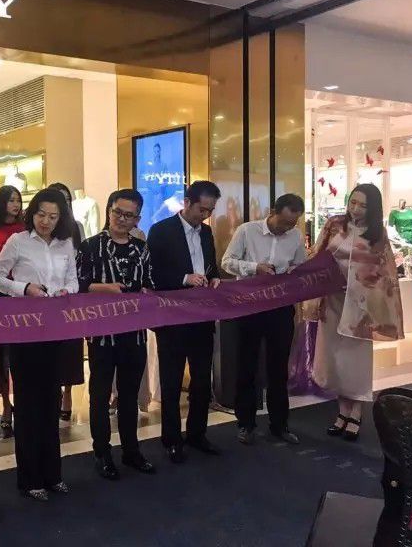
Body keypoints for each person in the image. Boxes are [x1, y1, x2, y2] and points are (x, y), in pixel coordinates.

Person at [0, 188, 79, 501]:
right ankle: (30, 479)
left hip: (56, 329)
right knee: (28, 405)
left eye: (53, 216)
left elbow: (73, 279)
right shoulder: (18, 241)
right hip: (25, 331)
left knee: (50, 402)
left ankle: (52, 474)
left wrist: (66, 291)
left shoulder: (66, 243)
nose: (46, 221)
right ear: (32, 213)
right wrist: (24, 288)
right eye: (41, 214)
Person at [311, 184, 403, 441]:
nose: (356, 209)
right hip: (332, 301)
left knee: (356, 361)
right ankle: (342, 411)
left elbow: (385, 272)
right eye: (353, 202)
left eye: (363, 205)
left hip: (361, 307)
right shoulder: (334, 225)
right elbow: (317, 256)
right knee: (334, 358)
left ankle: (356, 413)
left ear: (373, 208)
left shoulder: (377, 233)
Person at [78, 188, 155, 480]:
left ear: (138, 219)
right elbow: (77, 285)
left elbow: (150, 282)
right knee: (99, 396)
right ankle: (102, 452)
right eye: (117, 212)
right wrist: (103, 288)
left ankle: (131, 450)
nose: (122, 219)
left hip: (133, 332)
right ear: (109, 210)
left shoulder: (141, 248)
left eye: (129, 215)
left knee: (129, 395)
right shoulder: (90, 246)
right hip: (102, 333)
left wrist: (146, 292)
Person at [222, 193, 307, 446]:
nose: (287, 228)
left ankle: (279, 424)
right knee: (246, 366)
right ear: (272, 212)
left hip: (280, 307)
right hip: (249, 306)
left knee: (278, 368)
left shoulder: (295, 236)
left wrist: (293, 272)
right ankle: (246, 424)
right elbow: (227, 262)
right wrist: (254, 268)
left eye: (292, 224)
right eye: (284, 222)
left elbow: (300, 267)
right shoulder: (247, 231)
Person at [148, 180, 222, 464]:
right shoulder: (161, 230)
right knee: (171, 380)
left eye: (210, 211)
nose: (205, 215)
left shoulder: (207, 232)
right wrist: (184, 278)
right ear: (187, 202)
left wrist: (213, 278)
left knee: (202, 380)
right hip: (173, 318)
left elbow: (211, 266)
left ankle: (197, 433)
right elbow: (153, 274)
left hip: (201, 317)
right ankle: (171, 439)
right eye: (202, 209)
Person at [47, 182, 84, 421]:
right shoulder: (42, 229)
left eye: (67, 200)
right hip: (46, 299)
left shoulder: (76, 227)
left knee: (71, 349)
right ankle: (54, 391)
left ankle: (68, 393)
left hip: (70, 296)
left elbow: (80, 262)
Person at [0, 185, 24, 436]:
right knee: (1, 355)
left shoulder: (26, 230)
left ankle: (23, 402)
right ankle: (5, 405)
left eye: (18, 200)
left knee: (21, 354)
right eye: (11, 200)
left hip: (24, 296)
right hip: (0, 295)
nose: (15, 205)